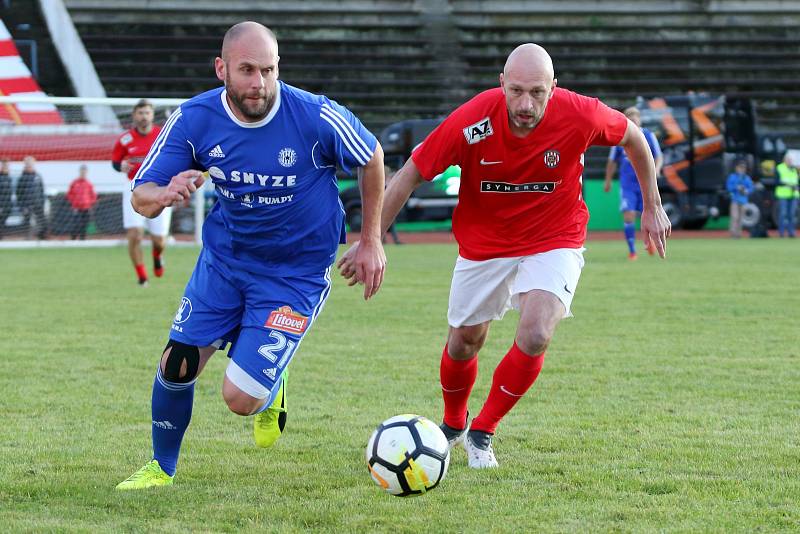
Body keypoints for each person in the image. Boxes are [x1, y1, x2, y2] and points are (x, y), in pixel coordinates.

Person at [339, 43, 671, 469]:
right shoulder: (472, 119)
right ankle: (454, 424)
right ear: (502, 84)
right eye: (516, 91)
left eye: (537, 92)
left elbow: (633, 136)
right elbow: (411, 174)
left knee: (535, 333)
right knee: (464, 343)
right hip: (485, 243)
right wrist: (372, 238)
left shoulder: (581, 114)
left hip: (555, 236)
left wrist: (652, 204)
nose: (526, 104)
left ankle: (483, 431)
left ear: (554, 87)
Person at [116, 21, 386, 490]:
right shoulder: (194, 118)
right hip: (225, 262)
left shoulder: (314, 116)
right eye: (246, 70)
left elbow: (372, 155)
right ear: (221, 69)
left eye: (268, 70)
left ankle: (271, 385)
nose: (259, 83)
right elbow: (141, 194)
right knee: (176, 363)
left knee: (239, 399)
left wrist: (370, 239)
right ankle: (161, 468)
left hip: (294, 273)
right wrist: (165, 192)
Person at [112, 99, 171, 286]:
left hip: (159, 188)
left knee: (159, 239)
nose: (143, 116)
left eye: (147, 112)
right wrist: (119, 166)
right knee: (135, 234)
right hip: (132, 187)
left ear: (152, 115)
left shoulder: (162, 135)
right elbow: (115, 161)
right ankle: (142, 276)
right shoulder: (125, 139)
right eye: (140, 113)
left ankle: (157, 255)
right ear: (134, 116)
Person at [604, 106, 663, 259]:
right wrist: (608, 180)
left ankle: (649, 242)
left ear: (640, 119)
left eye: (635, 116)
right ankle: (632, 251)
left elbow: (658, 156)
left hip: (645, 184)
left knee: (648, 213)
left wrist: (656, 170)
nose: (633, 119)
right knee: (629, 215)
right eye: (630, 117)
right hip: (628, 184)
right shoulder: (620, 138)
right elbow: (612, 161)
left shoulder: (649, 136)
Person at [15, 155, 47, 240]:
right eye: (27, 163)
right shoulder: (22, 178)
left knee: (41, 222)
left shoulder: (38, 176)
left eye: (31, 163)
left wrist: (42, 202)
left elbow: (42, 190)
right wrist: (22, 206)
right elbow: (19, 194)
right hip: (27, 204)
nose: (29, 165)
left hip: (38, 204)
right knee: (27, 222)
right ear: (25, 164)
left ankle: (41, 238)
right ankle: (27, 238)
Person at [65, 164, 98, 240]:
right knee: (75, 224)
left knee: (84, 224)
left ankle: (82, 239)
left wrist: (90, 203)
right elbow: (69, 194)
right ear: (79, 172)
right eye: (82, 171)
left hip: (86, 208)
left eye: (85, 172)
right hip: (76, 208)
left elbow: (93, 196)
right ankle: (73, 238)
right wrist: (74, 202)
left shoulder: (88, 184)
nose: (83, 173)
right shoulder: (74, 183)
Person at [725, 160, 754, 239]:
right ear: (736, 168)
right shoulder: (732, 177)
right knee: (735, 217)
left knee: (741, 218)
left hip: (743, 200)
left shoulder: (747, 178)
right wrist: (736, 187)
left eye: (743, 168)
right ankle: (733, 234)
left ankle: (738, 234)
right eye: (740, 168)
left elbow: (751, 188)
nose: (742, 169)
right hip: (735, 199)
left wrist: (746, 190)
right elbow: (729, 187)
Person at [775, 152, 799, 238]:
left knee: (792, 215)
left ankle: (791, 232)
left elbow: (797, 182)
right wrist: (788, 185)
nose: (790, 161)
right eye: (788, 159)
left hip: (793, 195)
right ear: (784, 160)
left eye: (791, 160)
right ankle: (781, 233)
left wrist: (796, 187)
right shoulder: (780, 168)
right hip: (783, 195)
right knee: (783, 214)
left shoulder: (794, 170)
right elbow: (776, 182)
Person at [382, 165, 402, 245]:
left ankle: (393, 240)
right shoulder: (381, 181)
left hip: (385, 205)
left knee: (390, 224)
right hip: (382, 206)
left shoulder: (387, 181)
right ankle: (384, 240)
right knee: (385, 224)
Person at [0, 159, 12, 239]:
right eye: (4, 165)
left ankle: (1, 234)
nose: (6, 167)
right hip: (1, 203)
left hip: (7, 204)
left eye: (7, 165)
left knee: (3, 220)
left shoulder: (8, 177)